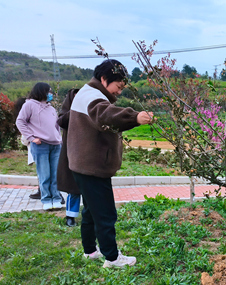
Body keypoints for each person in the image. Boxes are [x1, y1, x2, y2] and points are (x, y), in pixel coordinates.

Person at [67, 59, 153, 268]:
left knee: (91, 210)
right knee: (105, 212)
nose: (120, 91)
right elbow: (105, 115)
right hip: (93, 167)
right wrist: (134, 117)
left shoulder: (87, 93)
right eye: (119, 86)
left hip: (84, 165)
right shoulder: (93, 97)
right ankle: (112, 258)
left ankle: (90, 251)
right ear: (104, 79)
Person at [16, 83, 63, 210]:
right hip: (40, 145)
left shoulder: (51, 109)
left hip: (55, 145)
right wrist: (31, 138)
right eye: (49, 91)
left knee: (55, 174)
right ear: (41, 91)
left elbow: (56, 126)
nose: (51, 94)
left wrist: (59, 139)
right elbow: (20, 121)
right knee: (45, 174)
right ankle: (46, 199)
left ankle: (56, 198)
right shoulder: (29, 105)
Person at [57, 89, 81, 227]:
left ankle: (91, 215)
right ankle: (70, 216)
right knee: (73, 187)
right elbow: (62, 121)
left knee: (89, 187)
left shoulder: (91, 110)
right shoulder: (67, 113)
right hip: (71, 152)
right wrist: (76, 109)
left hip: (88, 153)